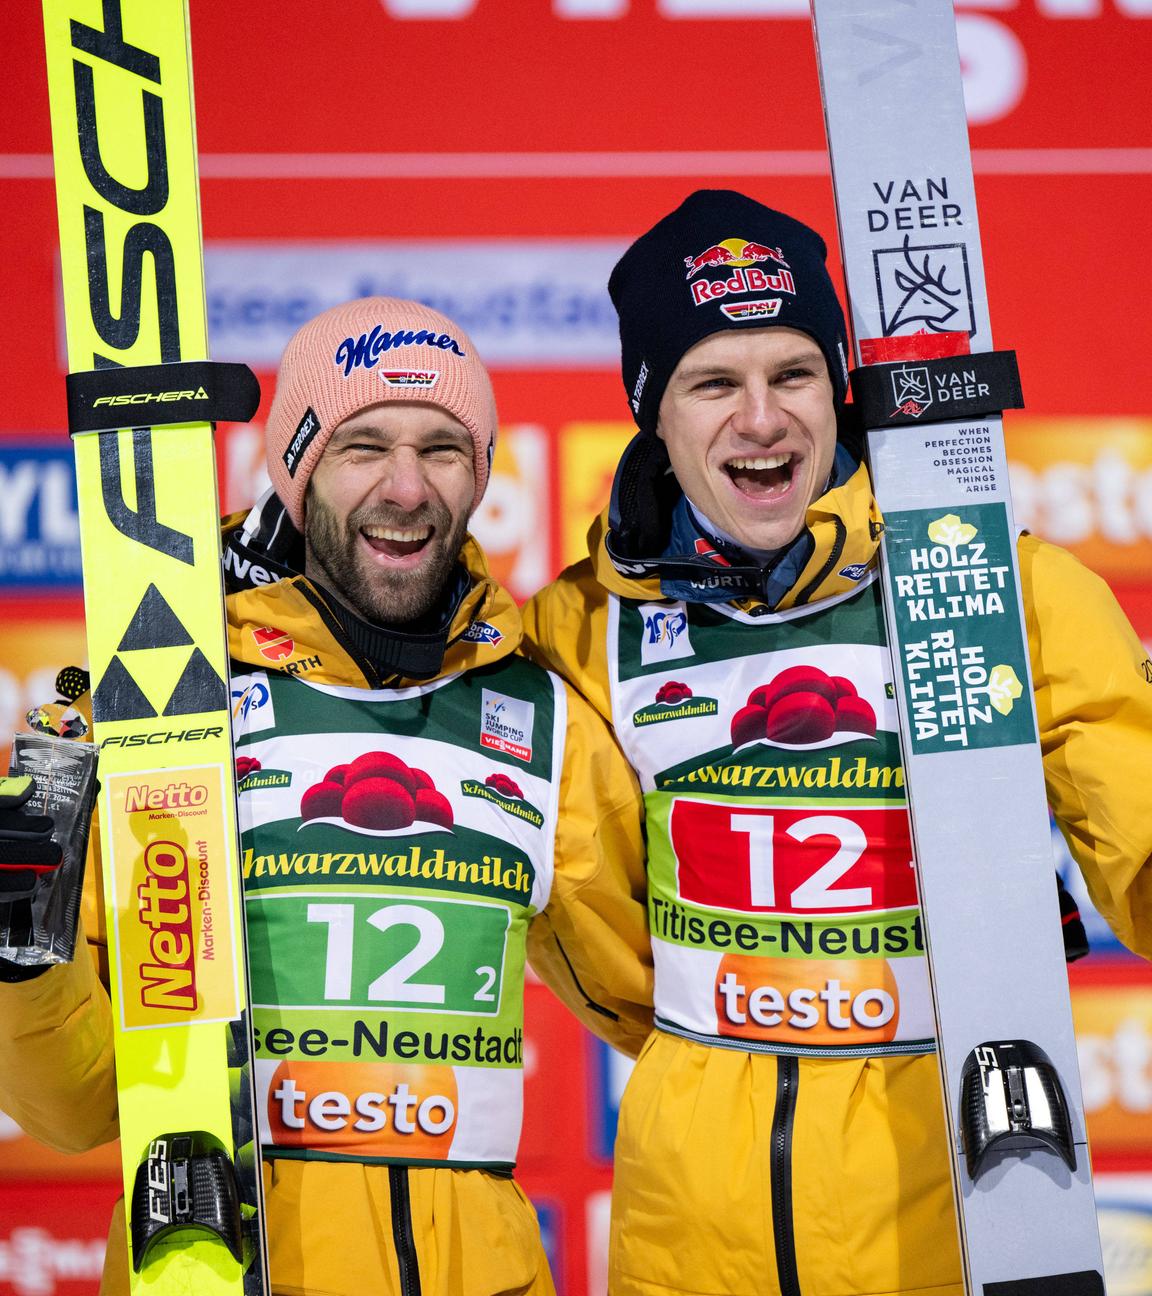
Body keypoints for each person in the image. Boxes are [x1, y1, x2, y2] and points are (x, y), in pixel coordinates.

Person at [522, 189, 1152, 1296]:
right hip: (690, 1226)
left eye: (795, 374)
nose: (762, 419)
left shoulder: (1003, 589)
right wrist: (717, 1055)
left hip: (959, 1203)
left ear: (840, 388)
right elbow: (598, 936)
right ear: (653, 414)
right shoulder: (581, 631)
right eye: (714, 382)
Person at [0, 297, 650, 1296]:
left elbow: (666, 1009)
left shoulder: (539, 718)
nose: (405, 487)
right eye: (361, 446)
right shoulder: (171, 712)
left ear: (481, 474)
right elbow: (78, 1106)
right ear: (297, 474)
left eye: (443, 448)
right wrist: (21, 957)